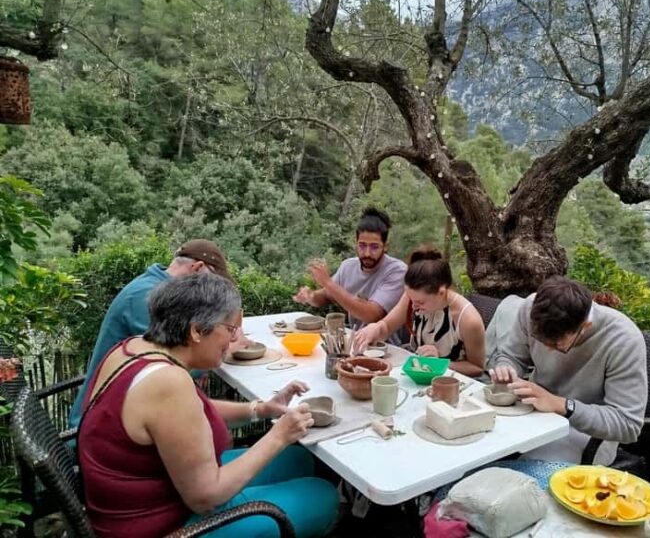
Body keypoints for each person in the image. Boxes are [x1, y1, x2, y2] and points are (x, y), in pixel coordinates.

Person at [78, 273, 338, 538]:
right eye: (230, 329)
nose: (233, 340)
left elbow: (182, 412)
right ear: (196, 330)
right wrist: (279, 436)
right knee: (323, 495)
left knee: (299, 460)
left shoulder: (133, 347)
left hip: (148, 494)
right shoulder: (168, 382)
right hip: (160, 525)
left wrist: (260, 409)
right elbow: (205, 498)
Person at [69, 239, 242, 428]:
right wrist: (227, 349)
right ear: (198, 268)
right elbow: (176, 361)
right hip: (99, 427)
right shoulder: (145, 296)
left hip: (129, 409)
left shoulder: (162, 289)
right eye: (213, 282)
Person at [488, 276, 646, 465]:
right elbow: (512, 355)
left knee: (522, 473)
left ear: (585, 327)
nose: (547, 350)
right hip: (532, 415)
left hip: (584, 434)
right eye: (540, 340)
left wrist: (561, 405)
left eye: (557, 345)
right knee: (479, 445)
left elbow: (627, 425)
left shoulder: (623, 340)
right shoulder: (530, 308)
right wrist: (507, 368)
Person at [352, 247, 485, 377]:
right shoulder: (414, 297)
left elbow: (477, 368)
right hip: (417, 374)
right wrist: (375, 328)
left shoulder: (467, 319)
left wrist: (439, 363)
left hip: (451, 382)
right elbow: (387, 326)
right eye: (411, 299)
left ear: (441, 292)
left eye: (420, 303)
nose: (414, 307)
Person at [293, 207, 407, 338]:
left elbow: (371, 315)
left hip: (385, 345)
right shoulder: (348, 266)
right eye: (362, 245)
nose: (367, 253)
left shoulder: (397, 271)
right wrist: (311, 296)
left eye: (374, 247)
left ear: (385, 246)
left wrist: (328, 283)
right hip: (354, 340)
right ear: (356, 244)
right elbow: (326, 296)